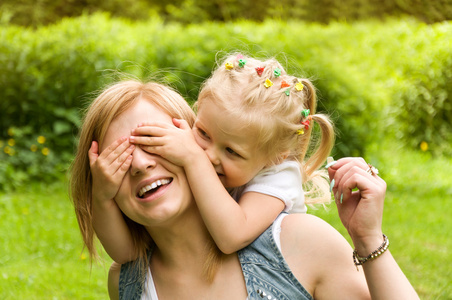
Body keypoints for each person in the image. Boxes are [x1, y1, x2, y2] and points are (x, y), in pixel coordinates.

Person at [70, 79, 419, 299]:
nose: (141, 164)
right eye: (119, 156)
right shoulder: (127, 284)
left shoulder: (300, 244)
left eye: (155, 142)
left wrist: (369, 241)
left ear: (195, 144)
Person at [92, 53, 335, 263]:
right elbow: (125, 255)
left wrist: (193, 158)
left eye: (232, 151)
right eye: (203, 133)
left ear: (272, 159)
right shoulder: (196, 171)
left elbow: (232, 237)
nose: (208, 155)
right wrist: (103, 197)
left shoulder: (279, 177)